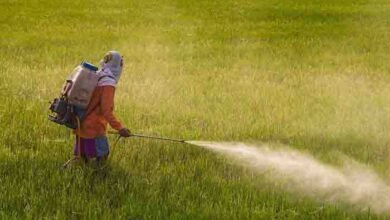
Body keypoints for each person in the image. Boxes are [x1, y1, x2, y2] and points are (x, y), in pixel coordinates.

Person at [73, 51, 131, 164]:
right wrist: (120, 128)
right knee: (102, 155)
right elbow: (106, 111)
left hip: (81, 123)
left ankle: (87, 177)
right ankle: (98, 177)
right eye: (121, 63)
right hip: (94, 128)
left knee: (85, 157)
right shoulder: (108, 83)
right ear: (116, 65)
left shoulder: (97, 75)